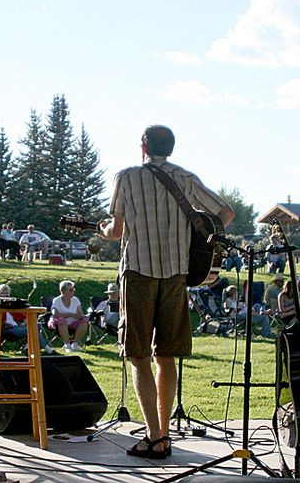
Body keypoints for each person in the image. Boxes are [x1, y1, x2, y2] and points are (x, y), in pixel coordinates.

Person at [100, 124, 234, 459]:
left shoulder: (125, 178)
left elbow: (116, 231)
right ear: (171, 148)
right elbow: (225, 213)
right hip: (176, 275)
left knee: (138, 355)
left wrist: (104, 231)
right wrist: (202, 245)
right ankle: (165, 436)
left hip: (138, 273)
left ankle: (153, 435)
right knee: (166, 355)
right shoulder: (186, 178)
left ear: (143, 147)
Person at [0, 284, 57, 354]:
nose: (6, 295)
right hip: (7, 330)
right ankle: (47, 349)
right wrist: (5, 324)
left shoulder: (11, 305)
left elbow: (26, 317)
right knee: (34, 329)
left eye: (7, 293)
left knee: (36, 325)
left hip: (18, 328)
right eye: (3, 293)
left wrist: (24, 323)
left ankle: (27, 347)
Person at [48, 280, 89, 353]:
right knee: (61, 320)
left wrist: (79, 316)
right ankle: (67, 345)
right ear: (63, 291)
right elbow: (55, 314)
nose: (73, 291)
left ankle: (75, 344)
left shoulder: (75, 300)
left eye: (73, 289)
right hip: (58, 325)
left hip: (73, 324)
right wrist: (71, 314)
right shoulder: (57, 300)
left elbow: (81, 314)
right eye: (71, 290)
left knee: (84, 320)